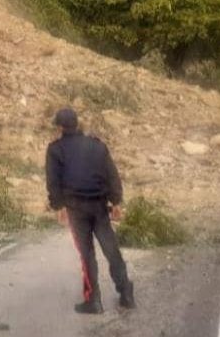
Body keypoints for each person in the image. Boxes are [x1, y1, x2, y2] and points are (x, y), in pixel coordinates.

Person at [45, 106, 136, 314]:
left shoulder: (55, 149)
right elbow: (112, 174)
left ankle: (93, 300)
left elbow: (53, 182)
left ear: (60, 127)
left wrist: (58, 206)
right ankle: (126, 294)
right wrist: (116, 202)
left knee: (86, 255)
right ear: (77, 124)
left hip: (76, 209)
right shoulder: (97, 146)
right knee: (111, 250)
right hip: (99, 206)